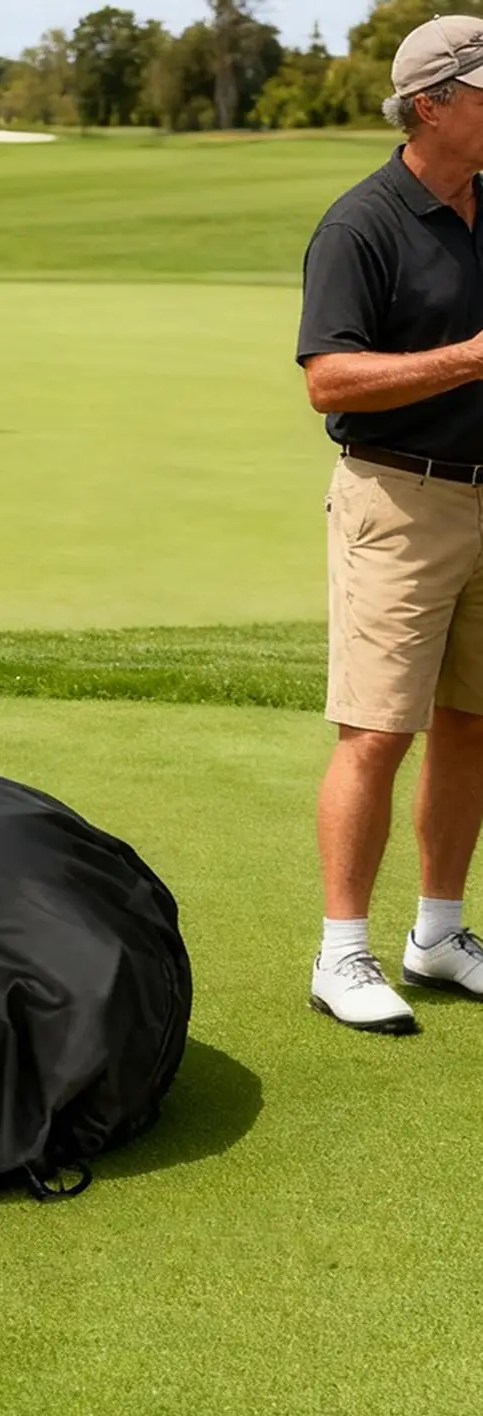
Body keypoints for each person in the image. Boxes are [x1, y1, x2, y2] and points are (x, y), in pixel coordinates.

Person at [297, 15, 483, 1033]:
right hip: (396, 501)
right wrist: (465, 357)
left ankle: (438, 935)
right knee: (376, 731)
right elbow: (327, 375)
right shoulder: (359, 224)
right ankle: (341, 953)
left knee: (471, 722)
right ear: (431, 104)